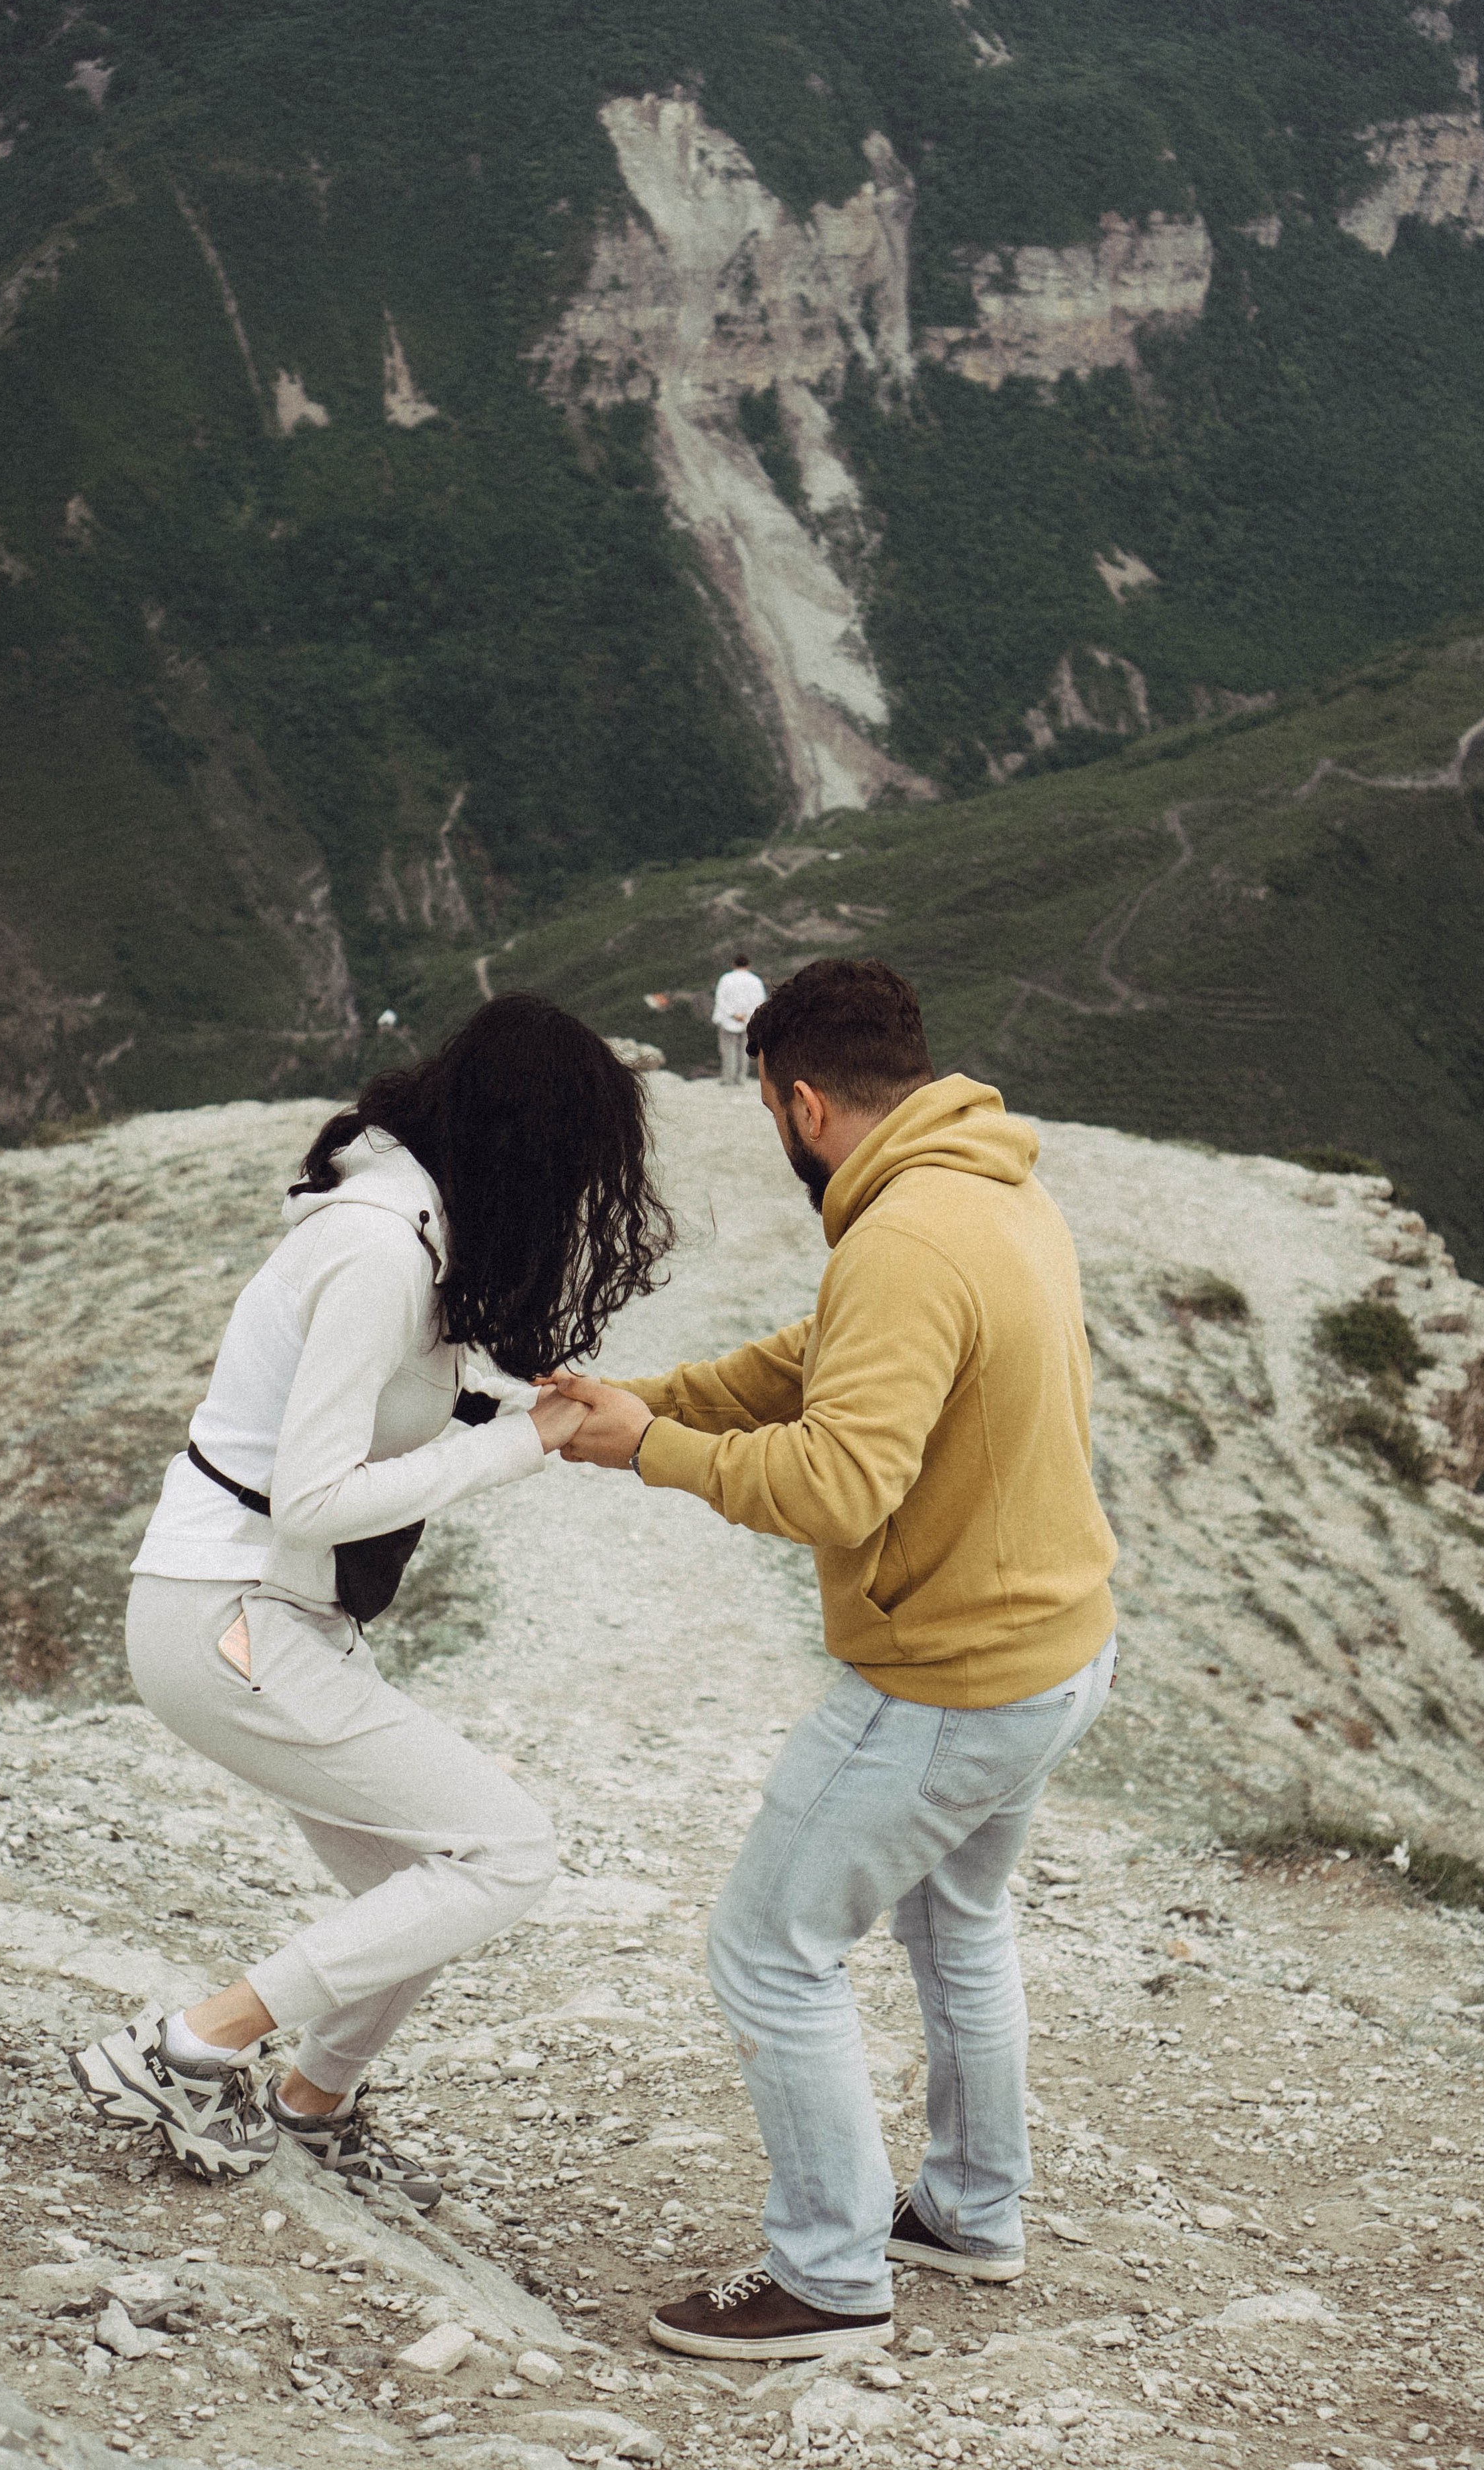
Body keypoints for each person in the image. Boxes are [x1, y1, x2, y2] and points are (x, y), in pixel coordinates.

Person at [552, 958, 1118, 2360]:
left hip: (950, 1679)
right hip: (1052, 1651)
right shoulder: (987, 1186)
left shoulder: (901, 1238)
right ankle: (973, 2214)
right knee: (955, 1927)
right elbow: (821, 1361)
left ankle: (827, 2276)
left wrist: (651, 1452)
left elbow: (837, 1483)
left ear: (799, 1101)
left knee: (766, 1948)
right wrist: (657, 1397)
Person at [69, 997, 673, 2200]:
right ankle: (194, 2045)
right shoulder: (378, 1249)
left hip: (265, 1615)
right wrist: (522, 1446)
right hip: (227, 1612)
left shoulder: (414, 1226)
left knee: (420, 1886)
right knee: (507, 1852)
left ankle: (311, 2104)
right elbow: (311, 1499)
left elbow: (398, 1410)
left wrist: (529, 1409)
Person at [713, 952, 767, 1087]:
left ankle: (728, 1078)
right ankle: (741, 1078)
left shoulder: (726, 979)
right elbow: (760, 1001)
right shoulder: (755, 981)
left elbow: (720, 999)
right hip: (747, 1021)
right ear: (748, 965)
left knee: (728, 1049)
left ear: (734, 964)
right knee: (744, 1050)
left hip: (727, 1020)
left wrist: (733, 1014)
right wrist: (746, 1015)